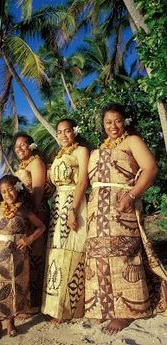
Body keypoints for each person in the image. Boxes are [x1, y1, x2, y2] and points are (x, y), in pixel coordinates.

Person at [84, 103, 167, 334]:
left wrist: (131, 196)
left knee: (124, 257)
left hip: (122, 208)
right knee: (99, 258)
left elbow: (151, 168)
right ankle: (107, 306)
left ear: (125, 121)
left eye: (118, 121)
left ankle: (125, 312)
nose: (113, 126)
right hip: (98, 213)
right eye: (108, 122)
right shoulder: (99, 147)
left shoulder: (132, 141)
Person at [0, 175, 45, 341]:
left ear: (16, 189)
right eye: (3, 192)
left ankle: (10, 322)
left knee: (14, 289)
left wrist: (29, 239)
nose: (7, 194)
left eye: (10, 189)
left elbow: (41, 227)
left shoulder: (24, 210)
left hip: (18, 256)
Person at [42, 118, 89, 323]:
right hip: (57, 205)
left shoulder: (81, 151)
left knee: (72, 252)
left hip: (73, 203)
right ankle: (52, 306)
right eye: (60, 132)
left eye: (67, 131)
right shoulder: (59, 154)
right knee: (56, 255)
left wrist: (73, 209)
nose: (63, 135)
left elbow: (82, 182)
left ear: (74, 132)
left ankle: (68, 309)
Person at [14, 133, 50, 315]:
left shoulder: (36, 163)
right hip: (25, 215)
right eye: (16, 147)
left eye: (23, 145)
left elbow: (37, 191)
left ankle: (35, 303)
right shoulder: (22, 166)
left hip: (36, 213)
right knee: (26, 257)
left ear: (31, 146)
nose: (19, 149)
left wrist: (31, 217)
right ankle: (26, 301)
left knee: (36, 256)